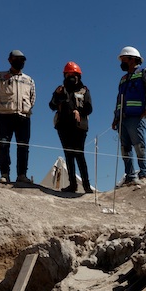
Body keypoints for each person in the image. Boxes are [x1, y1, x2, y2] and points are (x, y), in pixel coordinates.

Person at [112, 46, 146, 186]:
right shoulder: (123, 79)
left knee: (139, 146)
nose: (122, 62)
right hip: (123, 118)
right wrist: (116, 118)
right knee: (125, 148)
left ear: (132, 59)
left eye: (124, 59)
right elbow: (119, 100)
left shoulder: (144, 72)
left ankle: (143, 175)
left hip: (137, 117)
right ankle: (129, 176)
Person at [0, 50, 36, 184]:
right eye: (17, 59)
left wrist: (25, 110)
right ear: (10, 60)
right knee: (3, 145)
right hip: (4, 116)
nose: (20, 62)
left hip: (23, 117)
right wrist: (0, 110)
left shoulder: (29, 80)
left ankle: (22, 174)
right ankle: (4, 174)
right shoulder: (0, 76)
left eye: (22, 59)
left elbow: (32, 98)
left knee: (23, 146)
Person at [49, 61, 93, 193]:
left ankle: (86, 186)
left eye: (73, 74)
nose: (71, 77)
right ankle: (72, 184)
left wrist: (79, 111)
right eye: (68, 74)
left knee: (79, 154)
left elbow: (89, 108)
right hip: (63, 126)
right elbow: (52, 105)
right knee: (68, 154)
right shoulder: (60, 89)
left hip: (80, 126)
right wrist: (57, 95)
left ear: (79, 76)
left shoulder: (84, 90)